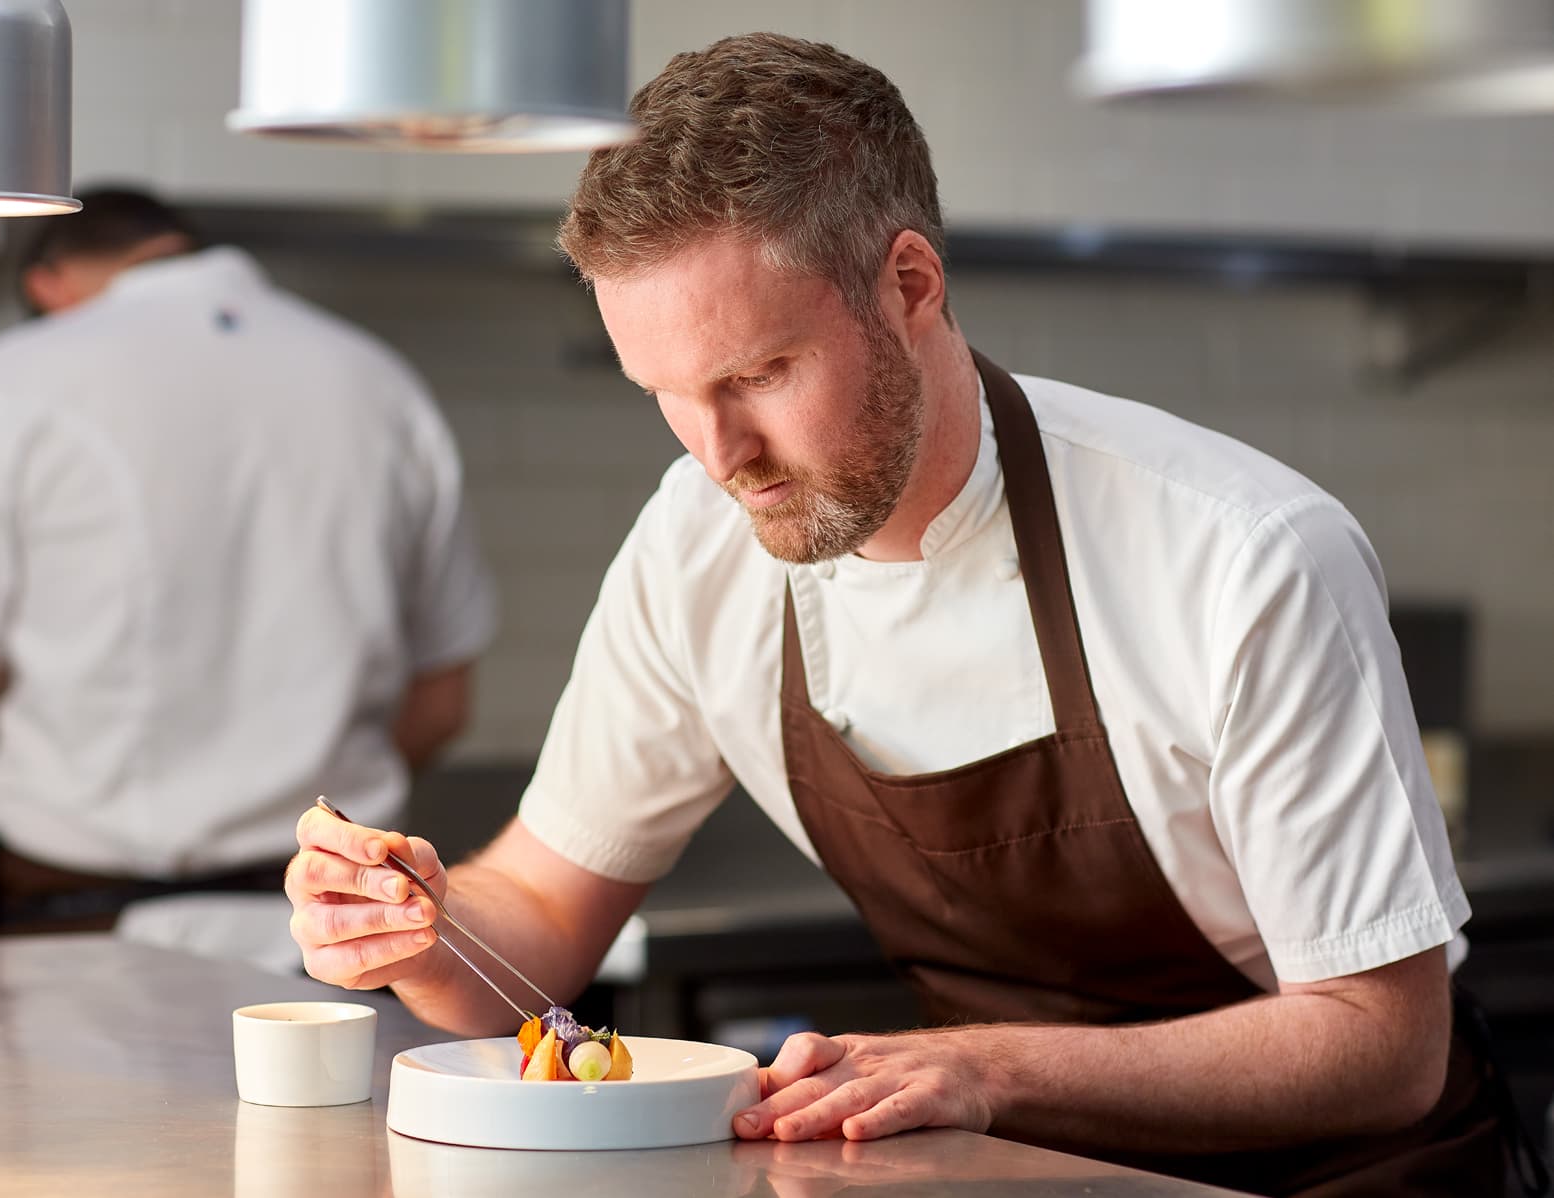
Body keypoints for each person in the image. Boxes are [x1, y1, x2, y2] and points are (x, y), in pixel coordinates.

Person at [281, 34, 1537, 1195]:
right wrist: (414, 932)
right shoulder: (694, 543)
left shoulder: (1242, 555)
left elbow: (1383, 1043)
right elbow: (544, 919)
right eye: (665, 390)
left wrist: (989, 1070)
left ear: (911, 284)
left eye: (757, 375)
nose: (723, 453)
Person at [0, 187, 497, 965]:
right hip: (332, 940)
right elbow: (441, 704)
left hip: (69, 936)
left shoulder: (9, 385)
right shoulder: (383, 384)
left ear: (47, 284)